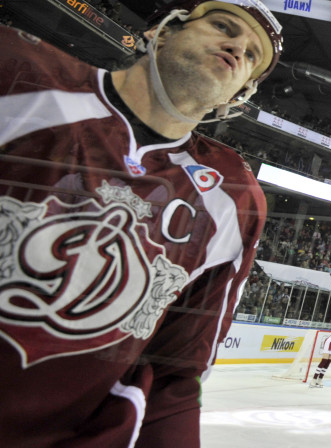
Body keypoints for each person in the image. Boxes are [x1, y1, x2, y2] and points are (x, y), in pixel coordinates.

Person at [0, 1, 282, 446]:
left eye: (251, 57)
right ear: (161, 32)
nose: (236, 48)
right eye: (223, 27)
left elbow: (177, 371)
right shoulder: (19, 74)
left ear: (237, 95)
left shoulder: (233, 198)